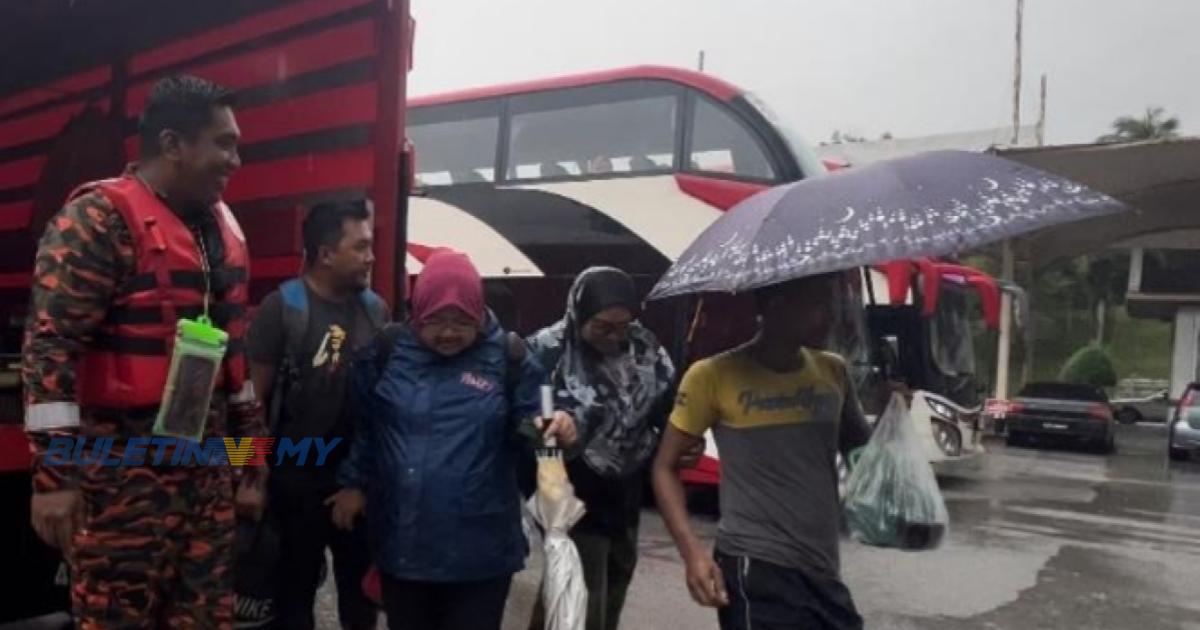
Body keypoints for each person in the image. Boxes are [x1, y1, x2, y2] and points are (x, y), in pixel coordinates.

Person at [22, 75, 265, 629]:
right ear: (173, 144)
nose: (236, 160)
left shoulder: (224, 229)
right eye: (223, 144)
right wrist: (55, 479)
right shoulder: (97, 221)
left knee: (205, 619)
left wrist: (251, 456)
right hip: (121, 483)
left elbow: (238, 359)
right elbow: (49, 352)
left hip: (204, 478)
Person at [328, 250, 578, 630]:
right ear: (418, 312)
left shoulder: (511, 358)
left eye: (462, 320)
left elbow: (534, 433)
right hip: (403, 546)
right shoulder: (388, 352)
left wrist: (557, 427)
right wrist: (354, 482)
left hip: (481, 555)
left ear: (479, 312)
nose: (448, 332)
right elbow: (368, 426)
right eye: (436, 320)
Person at [652, 273, 872, 630]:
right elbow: (664, 467)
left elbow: (865, 455)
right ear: (776, 307)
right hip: (754, 569)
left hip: (823, 569)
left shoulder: (834, 371)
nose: (831, 314)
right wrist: (692, 553)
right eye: (818, 303)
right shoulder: (712, 375)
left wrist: (896, 419)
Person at [246, 201, 386, 629]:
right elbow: (251, 405)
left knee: (360, 606)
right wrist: (249, 480)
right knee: (292, 604)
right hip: (293, 486)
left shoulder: (375, 311)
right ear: (326, 253)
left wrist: (361, 483)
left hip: (353, 486)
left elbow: (384, 408)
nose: (371, 256)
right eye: (360, 246)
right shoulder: (282, 309)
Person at [525, 266, 678, 630]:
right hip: (570, 494)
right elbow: (526, 421)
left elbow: (668, 404)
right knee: (579, 602)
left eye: (623, 327)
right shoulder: (548, 351)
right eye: (603, 327)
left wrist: (680, 441)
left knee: (610, 595)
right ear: (579, 314)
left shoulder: (644, 347)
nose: (615, 337)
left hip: (625, 494)